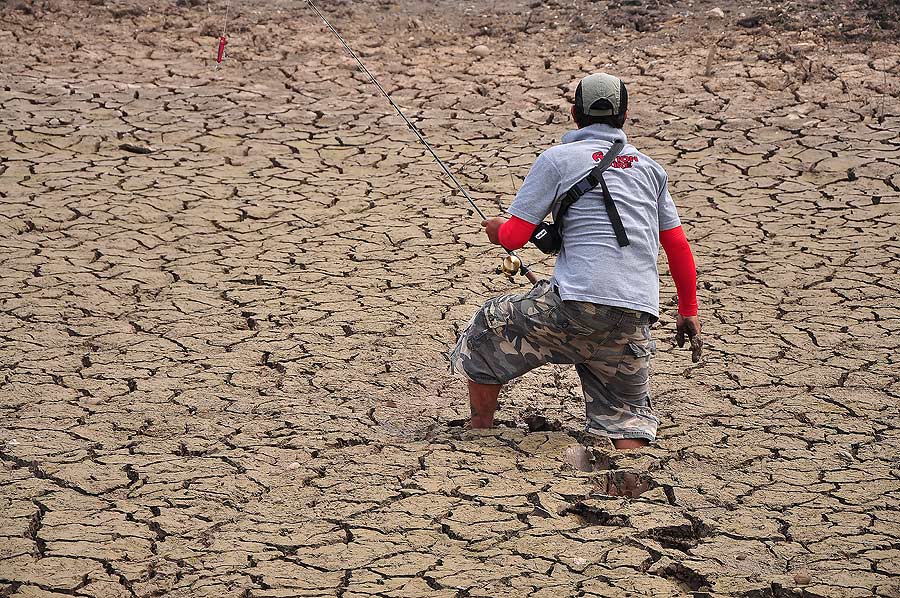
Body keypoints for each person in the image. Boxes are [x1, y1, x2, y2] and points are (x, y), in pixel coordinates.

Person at [449, 72, 702, 449]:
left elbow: (515, 236)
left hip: (576, 306)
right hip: (636, 313)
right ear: (625, 116)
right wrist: (688, 310)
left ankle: (480, 425)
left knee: (489, 322)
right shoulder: (651, 170)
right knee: (625, 416)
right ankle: (631, 469)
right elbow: (678, 246)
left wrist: (496, 230)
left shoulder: (558, 159)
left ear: (574, 114)